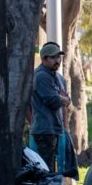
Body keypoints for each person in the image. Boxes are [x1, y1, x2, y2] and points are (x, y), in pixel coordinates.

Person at [31, 42, 70, 172]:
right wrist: (63, 99)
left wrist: (63, 99)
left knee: (51, 168)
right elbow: (53, 101)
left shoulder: (54, 76)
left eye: (58, 57)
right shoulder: (42, 76)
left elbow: (66, 101)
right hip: (44, 130)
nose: (57, 60)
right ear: (44, 59)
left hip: (53, 129)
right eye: (53, 57)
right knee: (46, 170)